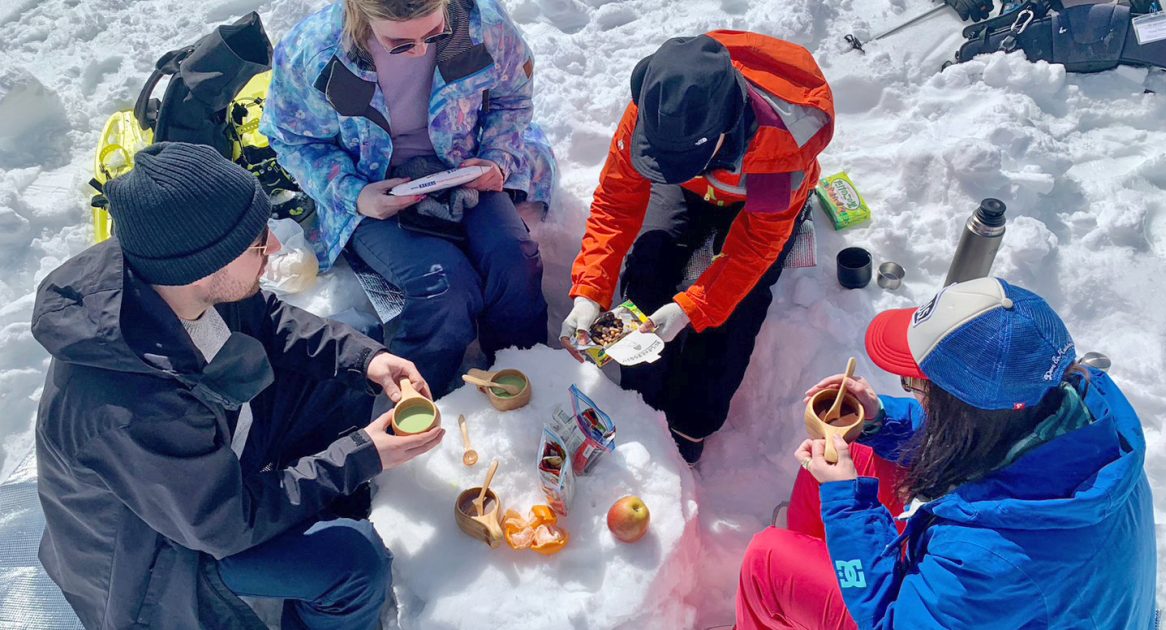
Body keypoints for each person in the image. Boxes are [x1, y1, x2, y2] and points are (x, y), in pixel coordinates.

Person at [32, 143, 446, 630]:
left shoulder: (166, 269)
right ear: (202, 267)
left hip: (211, 455)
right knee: (353, 567)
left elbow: (265, 319)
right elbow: (228, 524)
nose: (274, 247)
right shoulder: (133, 408)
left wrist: (368, 360)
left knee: (347, 382)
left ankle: (322, 503)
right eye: (256, 244)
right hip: (165, 555)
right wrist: (361, 454)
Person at [735, 277, 1157, 628]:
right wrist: (881, 418)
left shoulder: (988, 557)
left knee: (767, 563)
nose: (915, 393)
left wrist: (847, 507)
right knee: (860, 450)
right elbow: (990, 440)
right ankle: (834, 561)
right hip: (1003, 601)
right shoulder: (1077, 415)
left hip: (950, 606)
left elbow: (893, 622)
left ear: (964, 415)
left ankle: (805, 587)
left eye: (918, 388)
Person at [561, 32, 835, 463]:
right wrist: (589, 290)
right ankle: (642, 403)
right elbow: (617, 201)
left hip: (756, 200)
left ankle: (691, 422)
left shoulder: (779, 147)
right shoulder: (654, 104)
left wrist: (693, 308)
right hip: (688, 187)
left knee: (738, 308)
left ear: (723, 134)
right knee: (650, 265)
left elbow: (756, 246)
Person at [262, 0, 556, 399]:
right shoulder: (312, 52)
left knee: (514, 258)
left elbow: (512, 100)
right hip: (371, 184)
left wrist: (497, 159)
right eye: (399, 43)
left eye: (433, 35)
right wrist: (355, 194)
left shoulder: (480, 23)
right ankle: (419, 402)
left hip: (461, 165)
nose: (419, 50)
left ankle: (524, 376)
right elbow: (295, 141)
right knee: (443, 285)